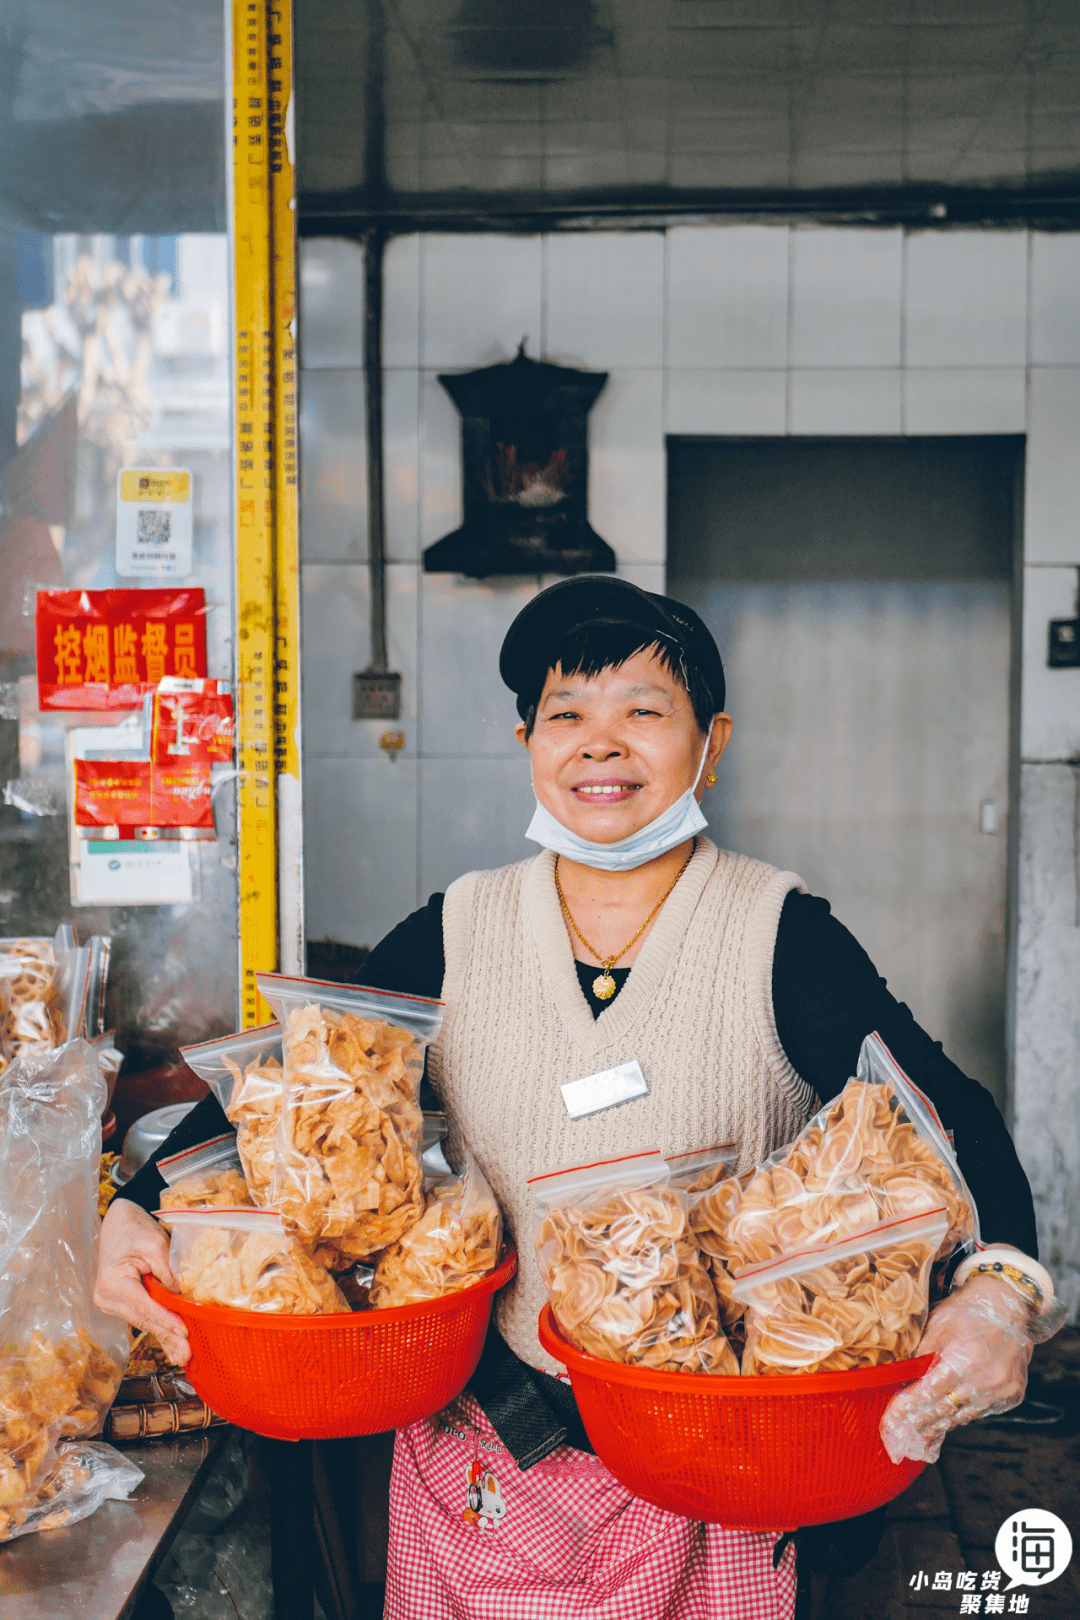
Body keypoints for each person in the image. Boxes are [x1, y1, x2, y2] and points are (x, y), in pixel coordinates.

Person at [97, 575, 1053, 1620]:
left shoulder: (781, 936)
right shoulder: (458, 930)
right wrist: (137, 1205)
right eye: (568, 716)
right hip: (485, 1452)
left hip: (715, 1465)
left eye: (644, 711)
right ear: (530, 747)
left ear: (711, 741)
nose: (602, 745)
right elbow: (287, 1080)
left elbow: (949, 1110)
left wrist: (1000, 1290)